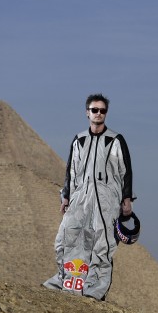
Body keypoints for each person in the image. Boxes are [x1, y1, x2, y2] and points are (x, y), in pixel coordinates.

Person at [43, 93, 134, 300]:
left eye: (102, 111)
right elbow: (71, 171)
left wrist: (126, 199)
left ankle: (95, 289)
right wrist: (66, 196)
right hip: (81, 196)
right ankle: (66, 280)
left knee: (103, 244)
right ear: (87, 113)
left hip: (106, 199)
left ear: (106, 113)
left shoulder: (116, 140)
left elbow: (125, 171)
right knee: (66, 237)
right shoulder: (79, 139)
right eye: (95, 110)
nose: (98, 114)